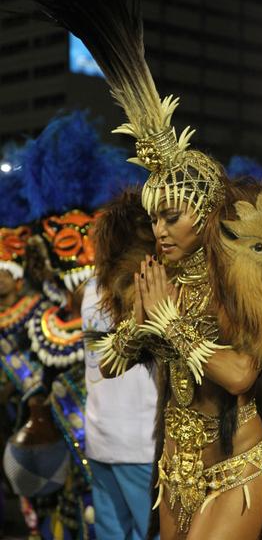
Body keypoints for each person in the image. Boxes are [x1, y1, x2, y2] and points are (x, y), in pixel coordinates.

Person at [2, 0, 262, 539]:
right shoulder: (154, 274)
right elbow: (110, 363)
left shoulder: (237, 277)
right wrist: (138, 330)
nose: (161, 230)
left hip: (237, 469)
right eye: (154, 218)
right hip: (171, 472)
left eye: (171, 216)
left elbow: (243, 372)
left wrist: (174, 327)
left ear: (202, 213)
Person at [82, 190, 158, 540]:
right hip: (140, 442)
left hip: (101, 436)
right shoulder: (147, 287)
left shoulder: (90, 289)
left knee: (111, 534)